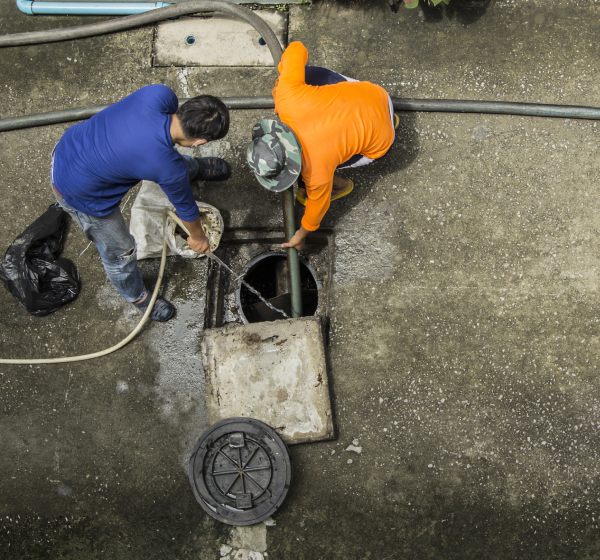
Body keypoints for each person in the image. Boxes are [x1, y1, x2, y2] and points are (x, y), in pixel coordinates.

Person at [51, 84, 231, 322]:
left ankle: (194, 169)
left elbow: (160, 154)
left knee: (168, 164)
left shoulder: (159, 95)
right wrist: (198, 238)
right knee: (120, 252)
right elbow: (187, 210)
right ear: (199, 142)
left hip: (70, 147)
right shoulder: (167, 168)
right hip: (79, 192)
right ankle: (137, 297)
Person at [246, 41, 398, 250]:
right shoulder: (287, 96)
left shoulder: (314, 171)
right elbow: (297, 48)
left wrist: (300, 235)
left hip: (381, 142)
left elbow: (318, 207)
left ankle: (342, 186)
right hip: (377, 96)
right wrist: (283, 78)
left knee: (329, 169)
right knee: (307, 75)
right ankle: (391, 119)